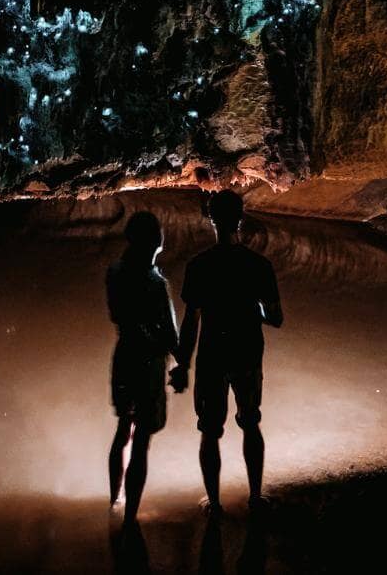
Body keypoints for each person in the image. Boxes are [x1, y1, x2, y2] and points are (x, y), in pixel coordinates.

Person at [172, 190, 283, 516]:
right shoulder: (259, 265)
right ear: (240, 218)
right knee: (250, 421)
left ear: (211, 218)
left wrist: (182, 363)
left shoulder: (199, 265)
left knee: (209, 430)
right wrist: (253, 309)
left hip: (212, 354)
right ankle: (255, 496)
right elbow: (276, 318)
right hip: (247, 351)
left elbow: (190, 321)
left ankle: (214, 503)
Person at [105, 211, 183, 523]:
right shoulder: (154, 283)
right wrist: (181, 365)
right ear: (154, 240)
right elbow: (171, 334)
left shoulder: (115, 272)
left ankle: (115, 500)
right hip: (148, 364)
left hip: (124, 356)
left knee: (124, 428)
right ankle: (131, 515)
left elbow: (118, 316)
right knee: (141, 441)